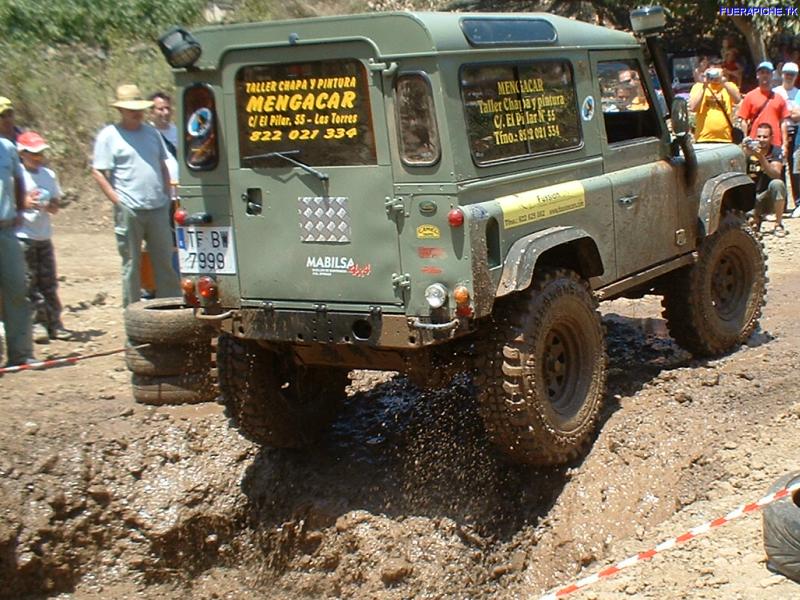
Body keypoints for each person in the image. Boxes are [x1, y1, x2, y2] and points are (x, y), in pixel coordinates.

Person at [91, 84, 180, 307]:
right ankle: (133, 319)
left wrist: (167, 192)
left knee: (165, 263)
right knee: (132, 265)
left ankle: (170, 316)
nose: (136, 112)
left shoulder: (151, 133)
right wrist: (117, 201)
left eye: (138, 108)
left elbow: (162, 164)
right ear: (121, 110)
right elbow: (98, 171)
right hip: (129, 208)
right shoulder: (109, 136)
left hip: (158, 206)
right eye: (131, 108)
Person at [15, 131, 69, 343]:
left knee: (48, 282)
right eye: (33, 153)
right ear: (22, 153)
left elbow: (56, 204)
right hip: (23, 234)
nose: (38, 157)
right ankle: (37, 324)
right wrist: (25, 203)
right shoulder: (16, 175)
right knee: (30, 282)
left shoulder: (48, 175)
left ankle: (55, 323)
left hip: (43, 235)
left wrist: (50, 205)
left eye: (40, 153)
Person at [0, 124, 34, 366]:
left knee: (17, 290)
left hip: (7, 229)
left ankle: (20, 354)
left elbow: (18, 179)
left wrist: (20, 209)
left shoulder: (8, 148)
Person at [745, 123, 787, 236]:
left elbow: (776, 174)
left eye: (765, 137)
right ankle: (753, 222)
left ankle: (778, 224)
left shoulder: (775, 151)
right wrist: (744, 152)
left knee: (777, 184)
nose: (761, 140)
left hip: (767, 197)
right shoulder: (748, 152)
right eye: (759, 136)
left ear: (771, 138)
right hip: (750, 198)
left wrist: (762, 158)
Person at [737, 61, 789, 148]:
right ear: (757, 75)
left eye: (768, 73)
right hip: (755, 141)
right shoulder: (750, 96)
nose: (765, 75)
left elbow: (783, 122)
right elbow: (743, 120)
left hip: (775, 142)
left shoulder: (779, 98)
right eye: (762, 73)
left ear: (772, 75)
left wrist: (785, 143)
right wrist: (745, 139)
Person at [688, 58, 742, 142]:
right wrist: (704, 84)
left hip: (725, 139)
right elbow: (693, 107)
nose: (714, 76)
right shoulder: (699, 87)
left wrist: (723, 82)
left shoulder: (728, 86)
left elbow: (737, 100)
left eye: (717, 72)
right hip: (703, 138)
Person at [773, 62, 800, 209]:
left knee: (796, 169)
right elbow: (777, 113)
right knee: (780, 167)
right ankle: (781, 204)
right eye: (787, 73)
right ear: (782, 74)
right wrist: (790, 112)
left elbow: (798, 115)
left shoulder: (798, 93)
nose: (789, 77)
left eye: (792, 74)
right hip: (779, 131)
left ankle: (798, 203)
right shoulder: (775, 92)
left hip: (796, 133)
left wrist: (784, 112)